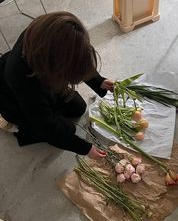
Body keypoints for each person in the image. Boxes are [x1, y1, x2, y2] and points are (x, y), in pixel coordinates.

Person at [0, 11, 114, 159]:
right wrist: (85, 148)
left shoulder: (51, 34)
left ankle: (49, 111)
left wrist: (99, 82)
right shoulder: (21, 77)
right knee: (66, 130)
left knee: (78, 108)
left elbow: (78, 59)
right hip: (13, 98)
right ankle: (11, 123)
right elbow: (47, 128)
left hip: (43, 81)